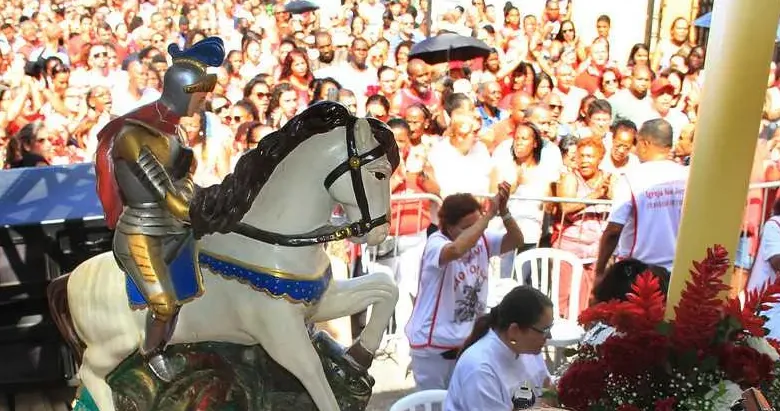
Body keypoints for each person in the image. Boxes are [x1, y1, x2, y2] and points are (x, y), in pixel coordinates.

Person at [94, 37, 226, 382]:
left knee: (185, 295)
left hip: (173, 228)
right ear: (184, 91)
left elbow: (184, 182)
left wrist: (209, 200)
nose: (203, 102)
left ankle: (164, 349)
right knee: (164, 304)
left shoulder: (175, 134)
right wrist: (197, 207)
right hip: (140, 230)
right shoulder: (132, 135)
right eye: (200, 95)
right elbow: (166, 192)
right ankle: (149, 356)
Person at [406, 184, 525, 390]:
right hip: (433, 346)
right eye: (466, 227)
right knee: (433, 405)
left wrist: (504, 212)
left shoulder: (482, 241)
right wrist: (487, 217)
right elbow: (457, 249)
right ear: (449, 227)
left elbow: (516, 240)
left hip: (466, 342)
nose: (476, 231)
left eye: (476, 224)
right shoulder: (436, 243)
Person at [594, 118, 688, 282]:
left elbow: (614, 229)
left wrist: (600, 270)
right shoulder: (686, 176)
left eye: (636, 142)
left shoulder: (632, 178)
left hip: (637, 272)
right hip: (676, 270)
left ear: (645, 143)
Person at [445, 286, 554, 411]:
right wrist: (543, 405)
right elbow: (545, 398)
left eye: (550, 328)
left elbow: (547, 388)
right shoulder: (480, 370)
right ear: (514, 331)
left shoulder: (529, 349)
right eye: (544, 330)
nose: (549, 336)